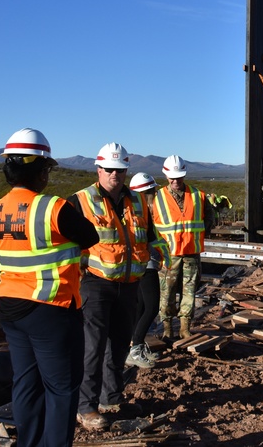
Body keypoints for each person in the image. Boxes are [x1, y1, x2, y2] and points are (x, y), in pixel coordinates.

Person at [0, 128, 99, 447]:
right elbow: (90, 236)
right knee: (62, 389)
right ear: (40, 169)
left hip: (10, 307)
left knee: (26, 384)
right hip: (49, 309)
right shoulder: (53, 208)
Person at [69, 143, 155, 431]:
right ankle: (86, 407)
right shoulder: (80, 201)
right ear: (98, 169)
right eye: (109, 169)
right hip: (96, 284)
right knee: (93, 347)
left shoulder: (139, 202)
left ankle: (112, 398)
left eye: (120, 170)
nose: (115, 174)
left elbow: (149, 238)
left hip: (129, 284)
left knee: (118, 346)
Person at [153, 155, 215, 340]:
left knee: (189, 292)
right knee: (167, 293)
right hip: (168, 256)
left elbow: (209, 220)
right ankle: (167, 328)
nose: (175, 180)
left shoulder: (198, 195)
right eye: (172, 177)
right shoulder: (157, 198)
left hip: (191, 254)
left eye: (178, 176)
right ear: (166, 176)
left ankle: (185, 328)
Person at [125, 172, 164, 370]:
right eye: (152, 191)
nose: (155, 194)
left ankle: (134, 345)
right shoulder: (138, 214)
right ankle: (136, 347)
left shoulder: (137, 212)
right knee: (151, 307)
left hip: (142, 265)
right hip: (145, 266)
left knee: (140, 307)